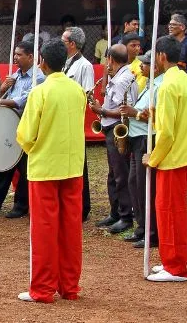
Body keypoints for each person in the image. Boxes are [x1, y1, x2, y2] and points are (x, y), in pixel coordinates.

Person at [15, 38, 85, 303]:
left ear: (41, 61)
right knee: (70, 228)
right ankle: (70, 287)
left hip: (45, 167)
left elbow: (26, 134)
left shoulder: (40, 92)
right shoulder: (76, 89)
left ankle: (43, 289)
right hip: (72, 166)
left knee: (44, 229)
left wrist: (32, 146)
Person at [141, 36, 187, 282]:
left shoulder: (169, 85)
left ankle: (175, 266)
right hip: (182, 152)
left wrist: (154, 157)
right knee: (171, 210)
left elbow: (168, 132)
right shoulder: (182, 78)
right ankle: (172, 259)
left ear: (161, 56)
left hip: (174, 155)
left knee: (169, 211)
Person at [0, 42, 45, 218]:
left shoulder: (39, 77)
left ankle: (21, 206)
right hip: (8, 125)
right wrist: (2, 89)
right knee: (2, 162)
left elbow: (24, 100)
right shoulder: (15, 76)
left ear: (31, 57)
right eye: (15, 54)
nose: (15, 58)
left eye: (19, 55)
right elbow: (0, 95)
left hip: (27, 126)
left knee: (24, 167)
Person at [88, 44, 137, 234]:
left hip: (116, 128)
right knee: (113, 174)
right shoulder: (121, 76)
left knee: (120, 174)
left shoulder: (122, 80)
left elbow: (125, 110)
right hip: (111, 126)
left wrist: (101, 110)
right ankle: (115, 211)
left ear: (110, 59)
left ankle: (125, 215)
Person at [118, 51, 159, 248]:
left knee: (145, 186)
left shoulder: (159, 86)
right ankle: (142, 227)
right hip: (136, 138)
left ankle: (152, 232)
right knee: (134, 183)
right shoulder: (148, 84)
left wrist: (134, 113)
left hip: (146, 138)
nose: (140, 66)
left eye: (145, 63)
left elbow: (157, 116)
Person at [61, 26, 95, 221]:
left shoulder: (84, 65)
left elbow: (87, 93)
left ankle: (83, 207)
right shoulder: (65, 63)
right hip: (62, 121)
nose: (61, 44)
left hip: (74, 121)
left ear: (72, 44)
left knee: (79, 165)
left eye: (63, 41)